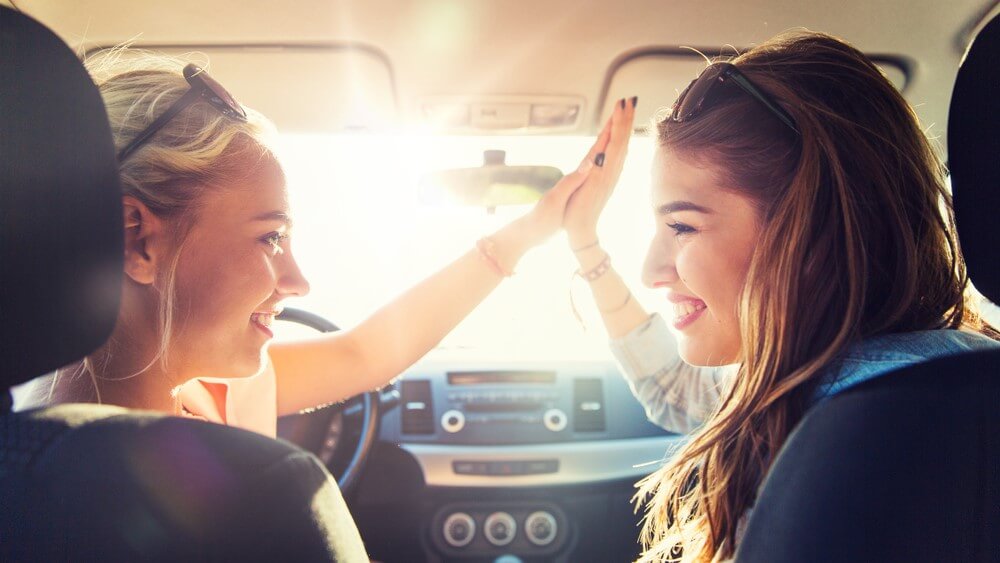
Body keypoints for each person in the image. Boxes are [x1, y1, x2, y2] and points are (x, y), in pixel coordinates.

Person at [14, 51, 638, 438]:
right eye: (271, 237)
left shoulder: (207, 387)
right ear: (138, 241)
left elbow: (366, 354)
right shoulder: (268, 488)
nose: (299, 281)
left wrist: (531, 231)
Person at [560, 31, 999, 561]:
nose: (652, 271)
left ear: (808, 230)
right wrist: (584, 242)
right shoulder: (946, 374)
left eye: (681, 226)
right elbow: (674, 390)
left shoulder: (832, 434)